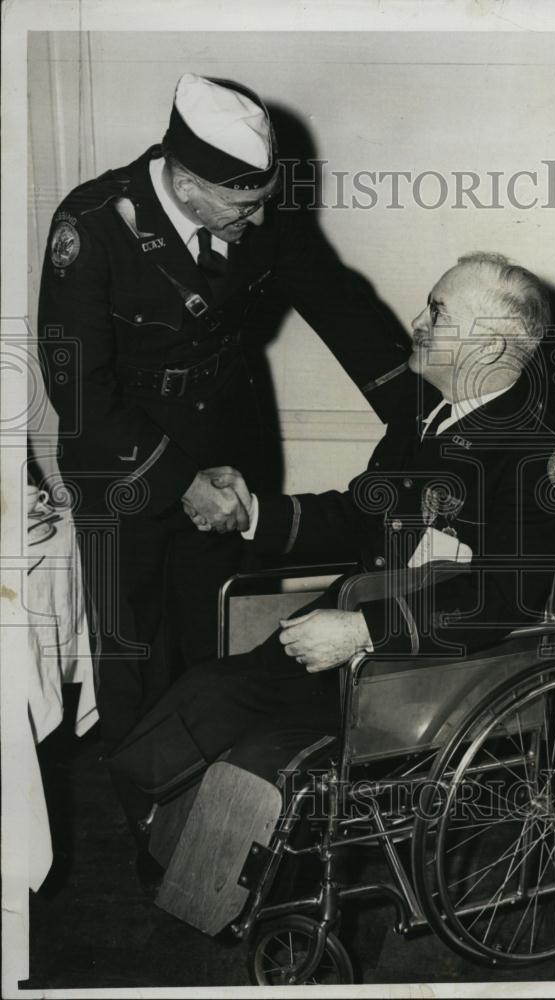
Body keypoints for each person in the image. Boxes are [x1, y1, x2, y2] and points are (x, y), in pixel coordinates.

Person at [110, 252, 555, 921]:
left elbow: (508, 597)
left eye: (437, 311)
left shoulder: (545, 456)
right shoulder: (423, 419)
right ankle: (175, 859)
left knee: (253, 752)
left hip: (430, 672)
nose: (416, 320)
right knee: (198, 701)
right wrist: (255, 511)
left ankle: (208, 881)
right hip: (352, 643)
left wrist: (363, 630)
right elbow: (358, 517)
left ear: (490, 345)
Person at [37, 73, 413, 776]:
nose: (260, 221)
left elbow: (341, 306)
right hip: (125, 466)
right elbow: (79, 389)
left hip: (227, 451)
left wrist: (422, 418)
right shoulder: (91, 229)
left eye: (264, 200)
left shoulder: (256, 207)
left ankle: (205, 813)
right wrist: (179, 481)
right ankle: (146, 815)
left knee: (210, 638)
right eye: (243, 204)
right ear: (183, 183)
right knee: (136, 650)